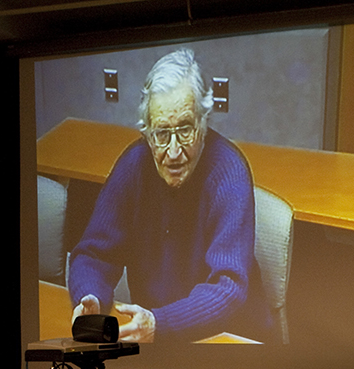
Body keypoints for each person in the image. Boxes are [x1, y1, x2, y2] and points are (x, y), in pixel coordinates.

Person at [67, 49, 269, 343]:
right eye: (162, 133)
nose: (173, 152)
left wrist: (160, 324)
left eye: (185, 129)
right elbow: (92, 253)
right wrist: (91, 296)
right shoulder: (134, 165)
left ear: (204, 121)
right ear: (147, 133)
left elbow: (228, 287)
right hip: (158, 341)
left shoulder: (230, 171)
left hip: (230, 341)